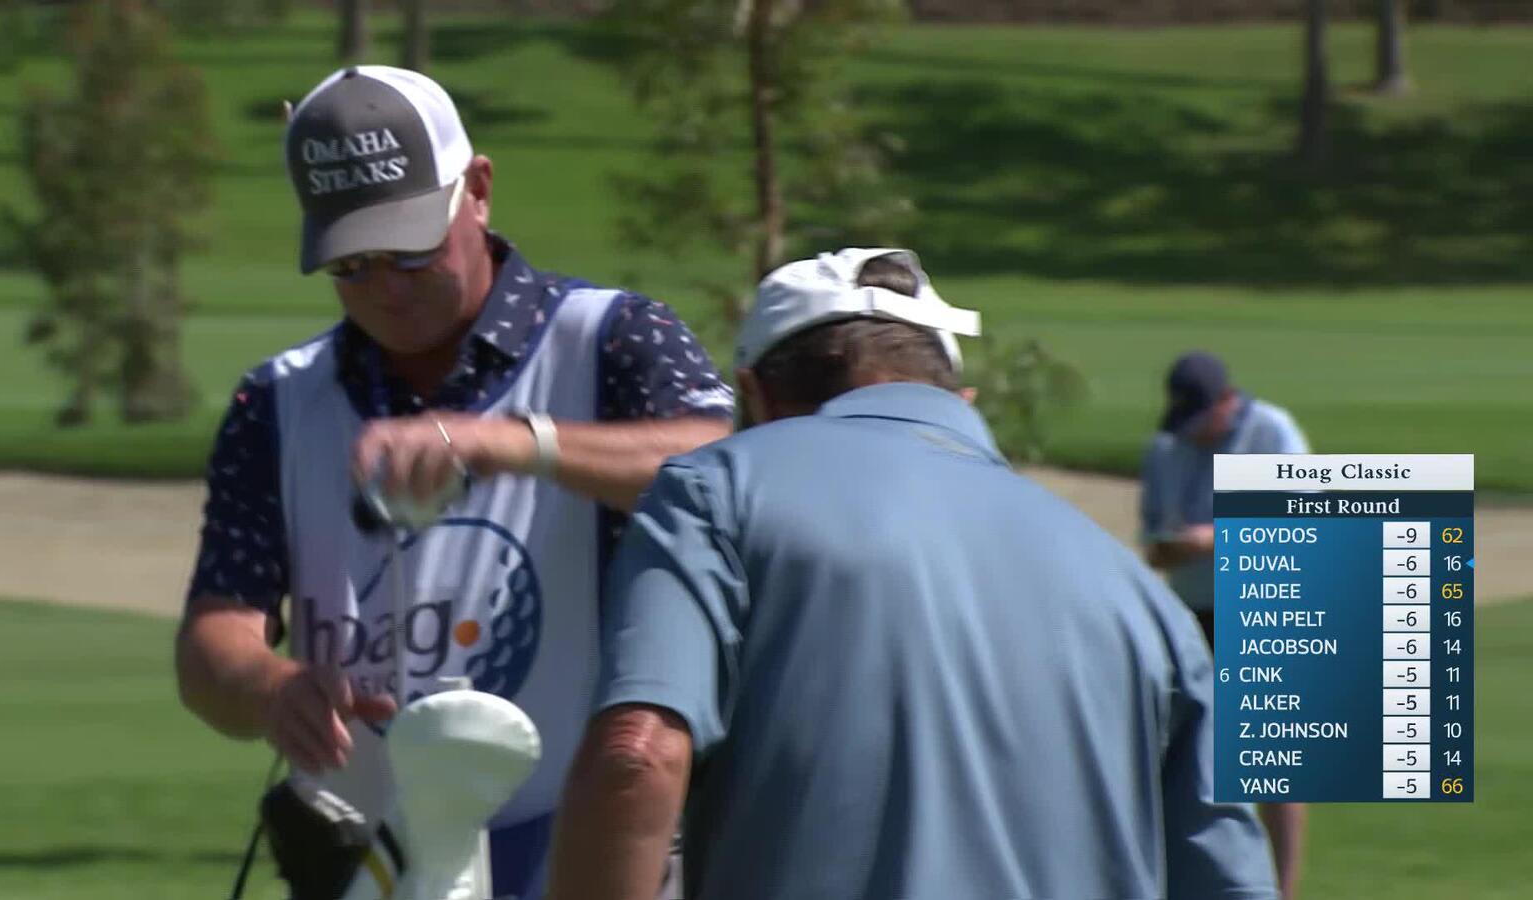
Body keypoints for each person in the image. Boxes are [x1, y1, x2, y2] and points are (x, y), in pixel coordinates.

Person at [546, 249, 1280, 900]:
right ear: (961, 401)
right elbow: (1232, 879)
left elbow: (637, 757)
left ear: (756, 393)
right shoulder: (1143, 601)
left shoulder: (713, 491)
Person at [173, 65, 733, 899]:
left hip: (584, 854)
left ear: (477, 190)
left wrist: (518, 443)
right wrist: (270, 686)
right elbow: (212, 643)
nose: (386, 288)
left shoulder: (612, 337)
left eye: (411, 251)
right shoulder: (277, 400)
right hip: (364, 865)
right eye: (352, 264)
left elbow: (729, 477)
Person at [1140, 350, 1311, 900]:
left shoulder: (1272, 432)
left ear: (1226, 402)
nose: (1190, 433)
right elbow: (1153, 543)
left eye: (1199, 419)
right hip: (1192, 616)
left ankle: (1282, 890)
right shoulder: (1165, 448)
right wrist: (1174, 548)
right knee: (1184, 754)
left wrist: (1212, 538)